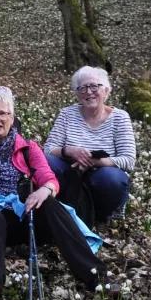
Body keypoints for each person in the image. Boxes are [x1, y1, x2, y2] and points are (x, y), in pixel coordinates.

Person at [0, 88, 112, 300]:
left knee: (51, 204)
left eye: (2, 113)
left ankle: (96, 276)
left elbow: (50, 180)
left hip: (22, 215)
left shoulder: (27, 148)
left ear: (12, 118)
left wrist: (44, 191)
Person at [44, 66, 137, 226]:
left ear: (107, 90)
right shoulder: (67, 114)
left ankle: (100, 215)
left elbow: (128, 160)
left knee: (112, 179)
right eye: (83, 88)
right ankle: (62, 209)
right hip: (70, 172)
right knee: (47, 161)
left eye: (94, 86)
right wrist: (69, 150)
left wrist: (94, 162)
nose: (88, 92)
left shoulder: (120, 117)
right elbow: (48, 149)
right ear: (77, 93)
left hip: (101, 174)